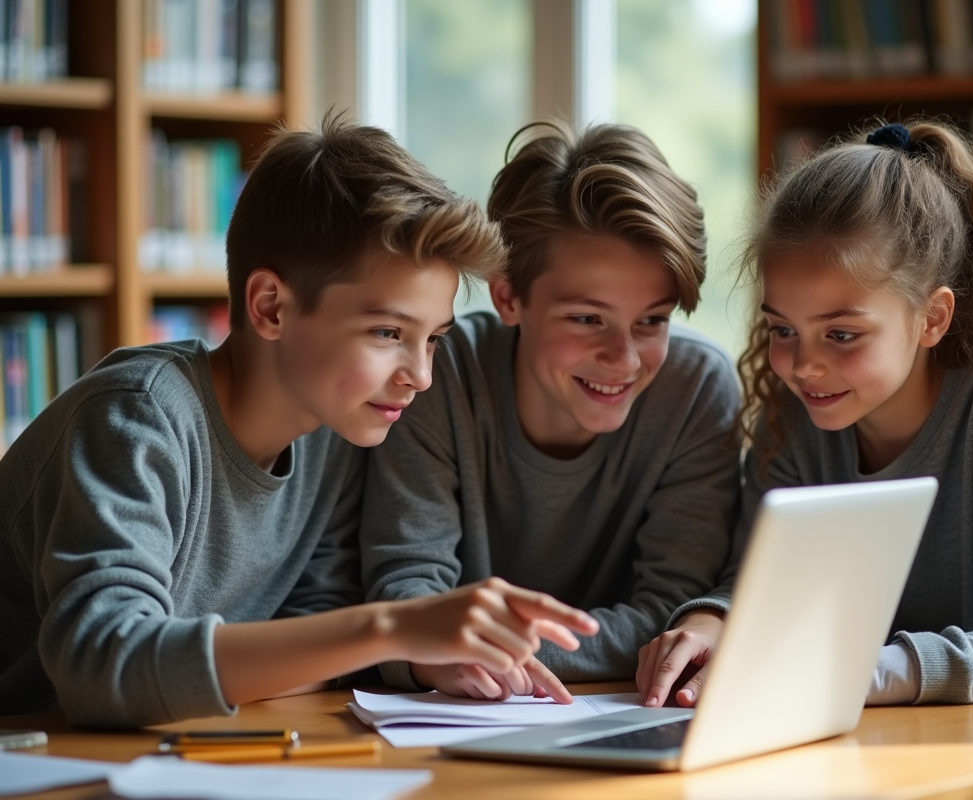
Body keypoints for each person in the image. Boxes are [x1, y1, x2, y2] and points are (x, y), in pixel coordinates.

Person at [0, 114, 597, 727]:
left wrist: (420, 659)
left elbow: (317, 630)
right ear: (271, 307)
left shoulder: (332, 433)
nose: (419, 375)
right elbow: (102, 667)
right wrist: (394, 627)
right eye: (388, 332)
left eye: (434, 339)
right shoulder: (135, 417)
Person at [637, 120, 973, 714]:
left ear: (932, 318)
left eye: (842, 333)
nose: (803, 365)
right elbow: (761, 585)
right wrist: (712, 622)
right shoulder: (799, 413)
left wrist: (861, 671)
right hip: (893, 696)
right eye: (782, 329)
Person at [360, 121, 740, 704]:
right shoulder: (439, 373)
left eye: (653, 320)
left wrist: (475, 646)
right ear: (508, 296)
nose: (625, 359)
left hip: (622, 712)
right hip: (463, 717)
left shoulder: (695, 391)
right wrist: (427, 646)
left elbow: (674, 616)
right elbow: (405, 597)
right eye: (587, 319)